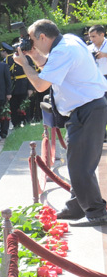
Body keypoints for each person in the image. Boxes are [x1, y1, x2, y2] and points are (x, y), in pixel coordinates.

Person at [13, 19, 107, 227]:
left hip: (87, 109)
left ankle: (97, 213)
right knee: (78, 162)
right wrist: (33, 55)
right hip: (86, 108)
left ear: (43, 37)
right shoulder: (69, 41)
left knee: (80, 166)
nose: (30, 43)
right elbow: (49, 66)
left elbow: (40, 85)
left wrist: (25, 65)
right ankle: (76, 207)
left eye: (31, 40)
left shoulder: (63, 51)